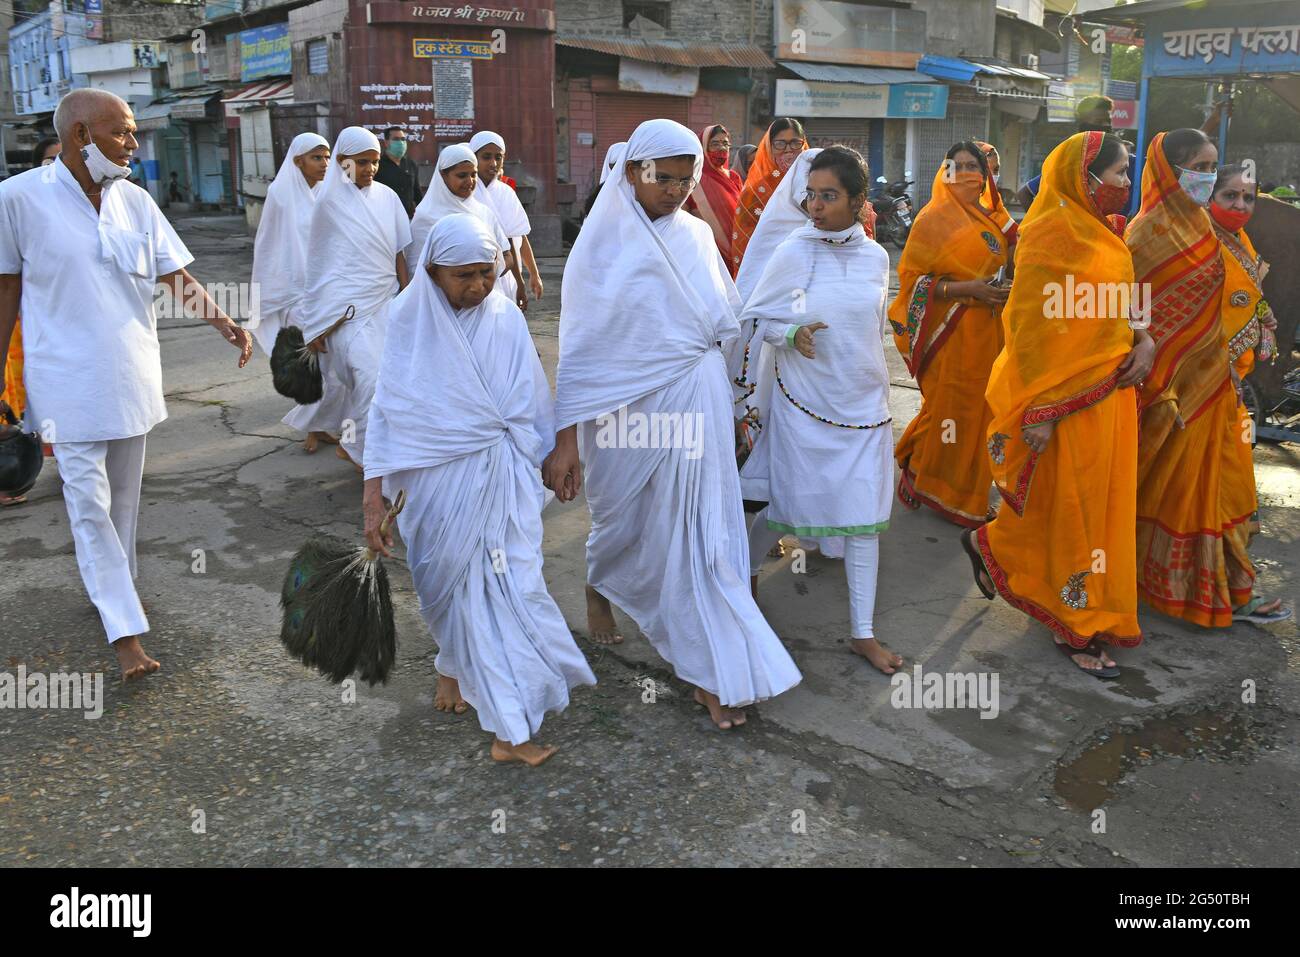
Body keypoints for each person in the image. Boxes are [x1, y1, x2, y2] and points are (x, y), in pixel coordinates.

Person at [543, 118, 801, 731]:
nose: (678, 191)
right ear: (633, 171)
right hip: (627, 416)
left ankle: (708, 668)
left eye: (687, 181)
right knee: (623, 520)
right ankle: (599, 586)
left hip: (699, 400)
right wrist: (565, 441)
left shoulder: (693, 235)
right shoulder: (598, 248)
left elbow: (723, 322)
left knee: (702, 536)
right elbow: (579, 350)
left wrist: (739, 408)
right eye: (666, 179)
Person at [0, 89, 253, 679]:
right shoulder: (17, 199)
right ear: (82, 135)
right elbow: (6, 293)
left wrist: (226, 323)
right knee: (87, 503)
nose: (134, 144)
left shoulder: (135, 201)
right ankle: (125, 632)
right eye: (123, 133)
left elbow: (174, 273)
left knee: (123, 505)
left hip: (132, 375)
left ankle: (115, 588)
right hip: (64, 383)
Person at [363, 213, 595, 767]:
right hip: (435, 485)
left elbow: (533, 395)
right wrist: (372, 497)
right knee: (447, 590)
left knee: (508, 590)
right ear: (432, 272)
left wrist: (556, 453)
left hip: (501, 475)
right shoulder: (405, 320)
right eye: (462, 275)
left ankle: (508, 731)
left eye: (488, 273)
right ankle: (452, 665)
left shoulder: (505, 319)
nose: (478, 286)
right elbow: (386, 411)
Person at [966, 132, 1150, 677]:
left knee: (1103, 508)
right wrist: (1043, 411)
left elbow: (1122, 304)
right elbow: (1032, 333)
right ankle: (1074, 620)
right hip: (1064, 403)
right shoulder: (1047, 235)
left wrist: (1145, 340)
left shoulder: (1108, 231)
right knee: (1075, 508)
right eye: (1117, 174)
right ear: (1084, 176)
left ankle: (993, 543)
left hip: (1111, 396)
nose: (1124, 185)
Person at [740, 146, 901, 675]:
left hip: (865, 406)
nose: (815, 206)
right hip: (804, 407)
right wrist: (791, 334)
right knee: (782, 507)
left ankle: (863, 633)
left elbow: (870, 330)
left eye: (829, 196)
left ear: (858, 201)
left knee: (863, 521)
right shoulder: (793, 250)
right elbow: (755, 320)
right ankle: (737, 587)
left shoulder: (876, 257)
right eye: (811, 195)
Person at [1128, 129, 1289, 627]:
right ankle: (1156, 584)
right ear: (1173, 171)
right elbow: (1127, 307)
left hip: (1219, 389)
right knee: (1169, 491)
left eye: (1211, 165)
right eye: (1200, 166)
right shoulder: (1146, 233)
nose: (1204, 175)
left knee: (1229, 488)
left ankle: (1225, 587)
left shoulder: (1204, 227)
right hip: (1169, 390)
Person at [889, 141, 1009, 527]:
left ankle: (937, 472)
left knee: (980, 412)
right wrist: (967, 289)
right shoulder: (932, 220)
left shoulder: (992, 218)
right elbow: (912, 284)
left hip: (989, 331)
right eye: (957, 166)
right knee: (951, 409)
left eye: (974, 166)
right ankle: (942, 488)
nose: (967, 174)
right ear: (945, 171)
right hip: (949, 331)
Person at [298, 126, 411, 470]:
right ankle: (363, 451)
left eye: (375, 162)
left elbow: (399, 252)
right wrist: (316, 324)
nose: (370, 170)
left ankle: (355, 446)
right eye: (361, 162)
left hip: (385, 302)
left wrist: (408, 297)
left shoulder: (388, 198)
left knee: (384, 382)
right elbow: (320, 267)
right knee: (366, 378)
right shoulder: (328, 204)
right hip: (346, 312)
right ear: (342, 162)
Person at [1208, 164, 1288, 623]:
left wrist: (1264, 323)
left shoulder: (1241, 242)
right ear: (1208, 195)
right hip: (1206, 384)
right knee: (1225, 490)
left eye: (1249, 197)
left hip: (1230, 387)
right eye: (1230, 195)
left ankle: (1229, 587)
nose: (1240, 205)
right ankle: (1230, 592)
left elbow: (1248, 300)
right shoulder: (1199, 243)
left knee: (1230, 488)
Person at [249, 132, 339, 454]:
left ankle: (322, 424)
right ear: (298, 160)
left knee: (333, 365)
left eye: (327, 157)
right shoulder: (282, 194)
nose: (324, 164)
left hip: (323, 291)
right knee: (311, 366)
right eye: (317, 157)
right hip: (295, 293)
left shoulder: (324, 194)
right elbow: (273, 246)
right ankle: (312, 428)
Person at [0, 137, 61, 506]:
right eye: (47, 160)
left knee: (23, 399)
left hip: (37, 323)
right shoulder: (16, 205)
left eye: (60, 159)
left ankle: (14, 472)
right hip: (13, 319)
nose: (53, 166)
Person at [408, 143, 525, 311]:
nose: (470, 181)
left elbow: (507, 255)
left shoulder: (484, 213)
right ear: (443, 176)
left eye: (474, 174)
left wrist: (484, 274)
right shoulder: (426, 217)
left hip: (484, 301)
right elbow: (416, 269)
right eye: (462, 175)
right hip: (439, 306)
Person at [469, 130, 544, 306]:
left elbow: (517, 237)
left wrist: (533, 273)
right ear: (473, 158)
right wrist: (520, 282)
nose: (493, 163)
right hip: (473, 275)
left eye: (498, 157)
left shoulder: (506, 192)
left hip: (505, 273)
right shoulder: (466, 192)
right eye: (486, 157)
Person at [731, 118, 808, 273]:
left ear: (803, 145)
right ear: (769, 147)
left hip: (808, 268)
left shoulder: (815, 184)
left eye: (795, 143)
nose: (788, 150)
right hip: (765, 273)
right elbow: (744, 241)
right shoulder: (754, 192)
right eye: (780, 144)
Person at [1016, 96, 1115, 209]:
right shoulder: (1070, 157)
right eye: (1099, 121)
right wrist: (1041, 223)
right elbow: (1024, 194)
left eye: (1108, 121)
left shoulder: (1116, 158)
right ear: (1083, 123)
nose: (1106, 125)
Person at [685, 124, 744, 276]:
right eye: (715, 144)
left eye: (725, 143)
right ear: (703, 148)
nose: (722, 148)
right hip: (706, 253)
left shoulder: (734, 177)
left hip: (738, 250)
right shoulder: (693, 180)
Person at [373, 126, 422, 216]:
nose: (400, 143)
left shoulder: (411, 164)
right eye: (396, 139)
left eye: (403, 139)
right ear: (386, 142)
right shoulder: (377, 165)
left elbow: (417, 193)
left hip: (408, 217)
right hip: (385, 216)